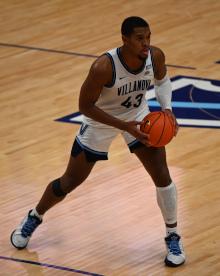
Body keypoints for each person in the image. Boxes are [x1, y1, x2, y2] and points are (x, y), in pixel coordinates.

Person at [10, 16, 185, 267]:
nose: (146, 43)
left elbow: (162, 79)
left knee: (162, 175)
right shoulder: (103, 67)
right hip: (100, 121)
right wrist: (123, 126)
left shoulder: (155, 56)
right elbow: (84, 106)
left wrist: (167, 109)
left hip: (137, 116)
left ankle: (172, 235)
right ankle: (34, 216)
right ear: (125, 39)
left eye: (148, 37)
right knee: (70, 181)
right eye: (139, 39)